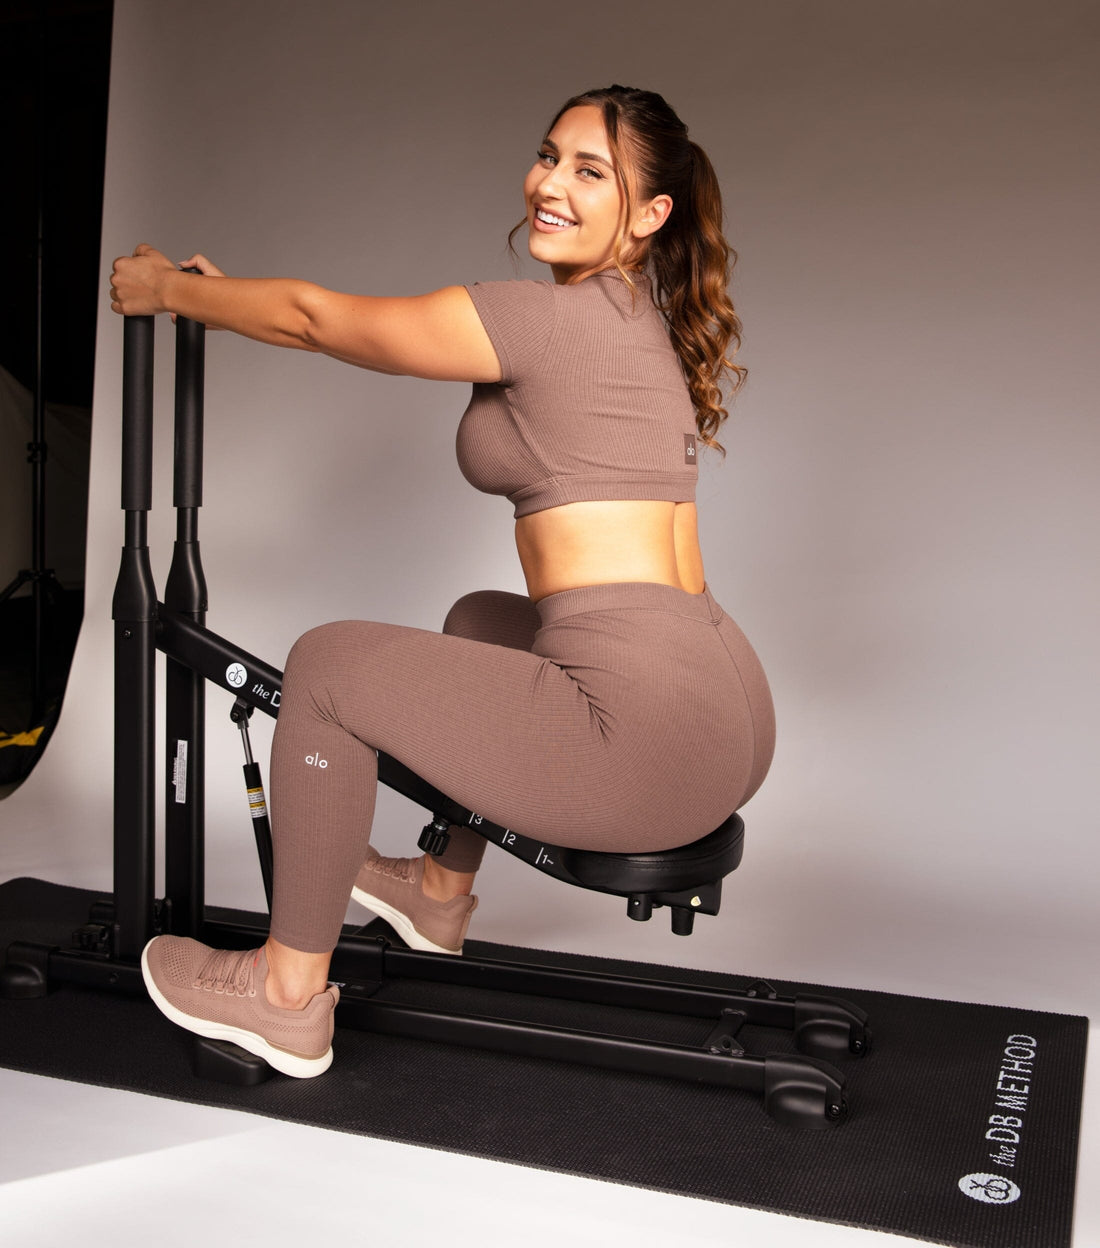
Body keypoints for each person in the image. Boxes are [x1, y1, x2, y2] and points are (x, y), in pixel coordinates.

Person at [109, 85, 775, 1078]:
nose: (547, 184)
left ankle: (286, 996)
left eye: (589, 172)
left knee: (327, 666)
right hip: (722, 713)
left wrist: (171, 292)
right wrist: (217, 289)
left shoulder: (545, 324)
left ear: (648, 215)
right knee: (480, 616)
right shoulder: (637, 318)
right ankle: (436, 889)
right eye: (548, 155)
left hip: (643, 738)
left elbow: (312, 320)